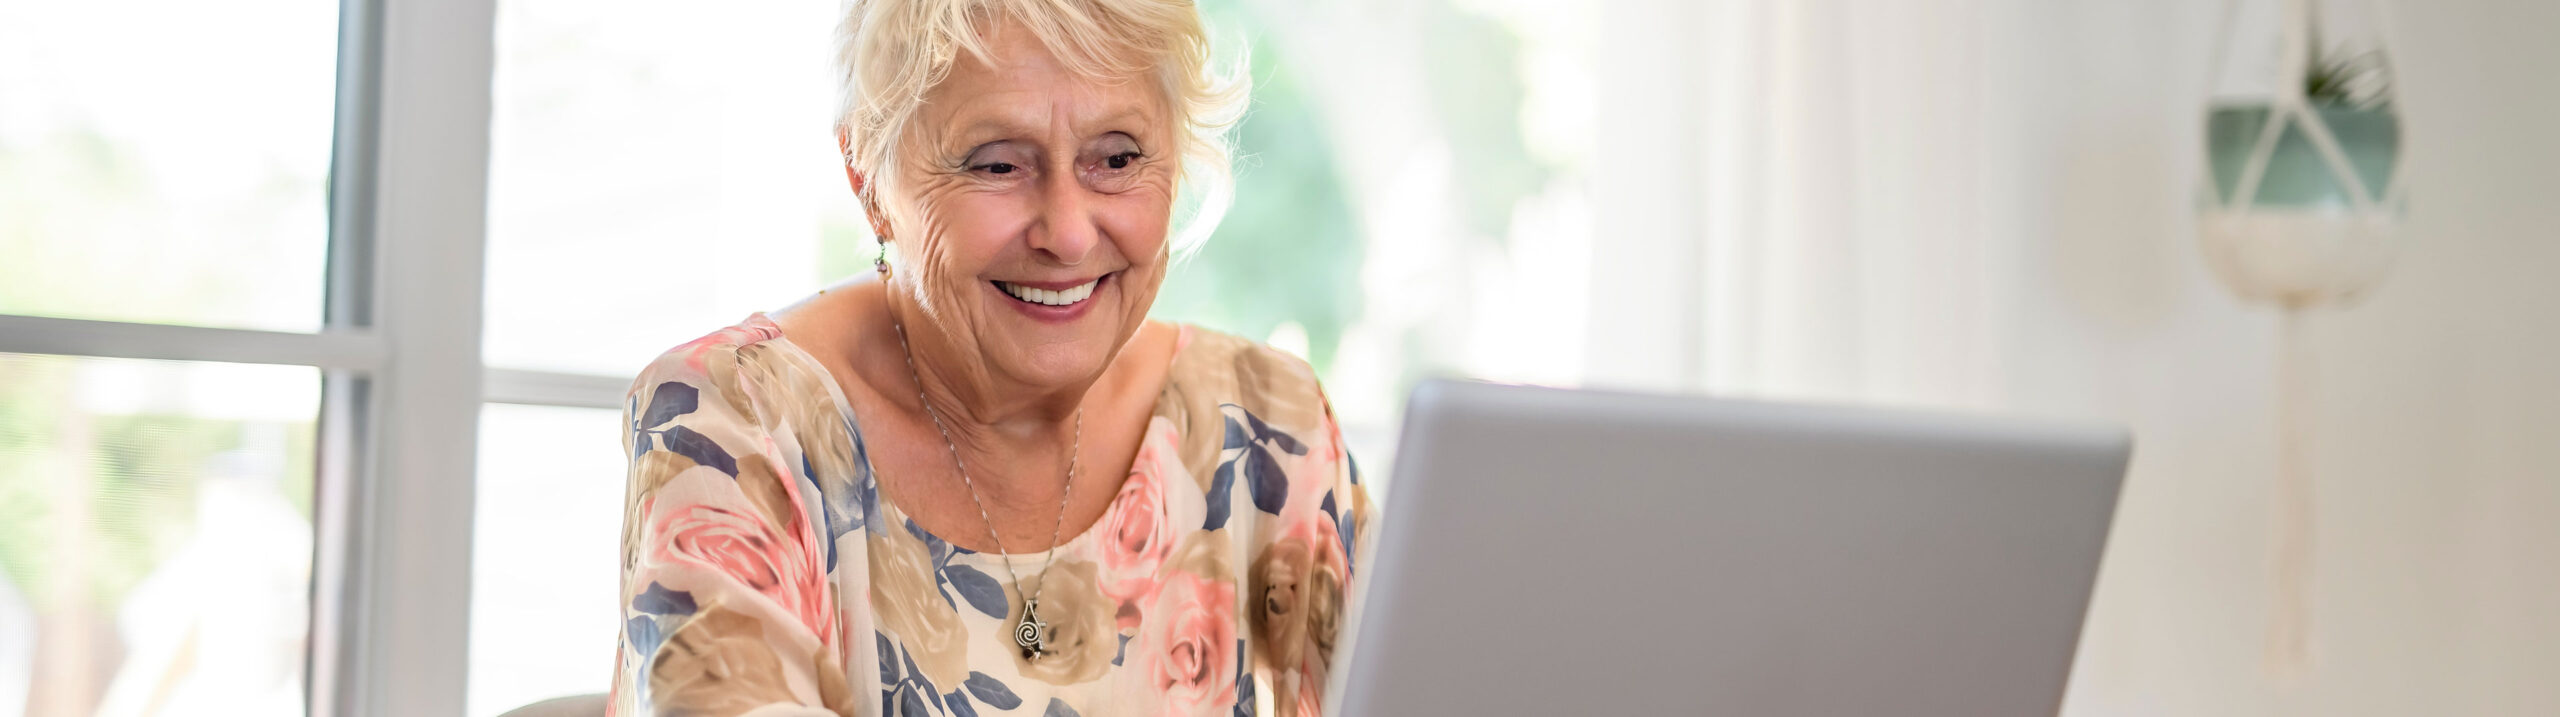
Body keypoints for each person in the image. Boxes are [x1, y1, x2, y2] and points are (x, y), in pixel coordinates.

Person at [609, 1, 1372, 714]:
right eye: (997, 164)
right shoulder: (729, 422)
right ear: (869, 177)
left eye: (1116, 158)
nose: (1068, 234)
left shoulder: (1269, 421)